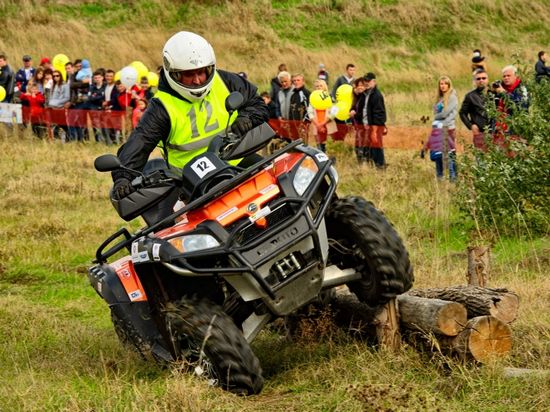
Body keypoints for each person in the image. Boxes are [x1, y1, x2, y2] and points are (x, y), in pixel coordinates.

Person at [111, 31, 268, 205]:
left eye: (202, 72)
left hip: (239, 162)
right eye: (189, 74)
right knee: (182, 230)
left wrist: (247, 118)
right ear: (173, 72)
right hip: (193, 185)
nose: (197, 80)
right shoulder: (161, 107)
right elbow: (140, 142)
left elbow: (257, 104)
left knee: (282, 185)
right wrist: (123, 178)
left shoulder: (224, 80)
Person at [459, 69, 495, 150]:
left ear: (488, 79)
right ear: (474, 81)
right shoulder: (470, 96)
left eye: (483, 78)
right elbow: (462, 113)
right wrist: (471, 126)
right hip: (480, 133)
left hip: (495, 132)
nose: (481, 80)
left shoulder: (494, 93)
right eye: (478, 79)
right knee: (481, 160)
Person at [363, 72, 387, 169]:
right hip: (368, 126)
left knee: (376, 148)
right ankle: (374, 166)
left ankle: (380, 167)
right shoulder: (368, 93)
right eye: (365, 81)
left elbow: (379, 115)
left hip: (375, 127)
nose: (366, 83)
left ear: (374, 81)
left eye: (368, 81)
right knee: (371, 148)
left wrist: (374, 131)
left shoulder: (376, 95)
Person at [307, 79, 335, 153]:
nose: (319, 87)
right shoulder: (312, 98)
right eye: (317, 86)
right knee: (319, 146)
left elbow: (333, 111)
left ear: (324, 87)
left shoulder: (329, 97)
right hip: (316, 125)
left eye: (320, 86)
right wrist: (318, 125)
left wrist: (323, 124)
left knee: (329, 146)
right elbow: (310, 112)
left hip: (328, 124)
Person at [432, 75, 458, 153]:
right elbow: (435, 110)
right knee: (440, 153)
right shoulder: (439, 98)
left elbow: (444, 114)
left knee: (450, 153)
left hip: (449, 127)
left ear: (449, 85)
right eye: (441, 84)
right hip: (439, 128)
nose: (443, 86)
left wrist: (436, 117)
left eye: (445, 84)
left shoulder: (452, 97)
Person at [349, 77, 369, 163]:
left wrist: (355, 114)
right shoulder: (358, 97)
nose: (360, 87)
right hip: (357, 126)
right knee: (358, 147)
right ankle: (360, 164)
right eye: (358, 85)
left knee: (362, 147)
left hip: (364, 126)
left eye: (362, 85)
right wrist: (351, 111)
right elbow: (353, 107)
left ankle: (365, 164)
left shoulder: (365, 97)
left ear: (365, 86)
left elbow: (364, 113)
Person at [288, 73, 310, 140]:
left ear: (303, 81)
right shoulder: (293, 95)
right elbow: (291, 111)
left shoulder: (306, 93)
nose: (296, 82)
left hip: (303, 126)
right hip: (294, 126)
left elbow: (309, 110)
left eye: (298, 80)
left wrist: (304, 124)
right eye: (294, 81)